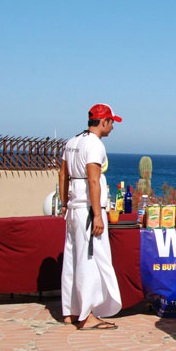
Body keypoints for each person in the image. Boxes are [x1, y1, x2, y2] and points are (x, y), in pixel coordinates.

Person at [58, 104, 123, 330]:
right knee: (90, 259)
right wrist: (97, 214)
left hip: (74, 207)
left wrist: (64, 203)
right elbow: (93, 180)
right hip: (87, 208)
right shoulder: (94, 145)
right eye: (111, 122)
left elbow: (63, 174)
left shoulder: (72, 142)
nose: (113, 127)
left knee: (72, 258)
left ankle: (71, 310)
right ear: (103, 121)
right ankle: (87, 315)